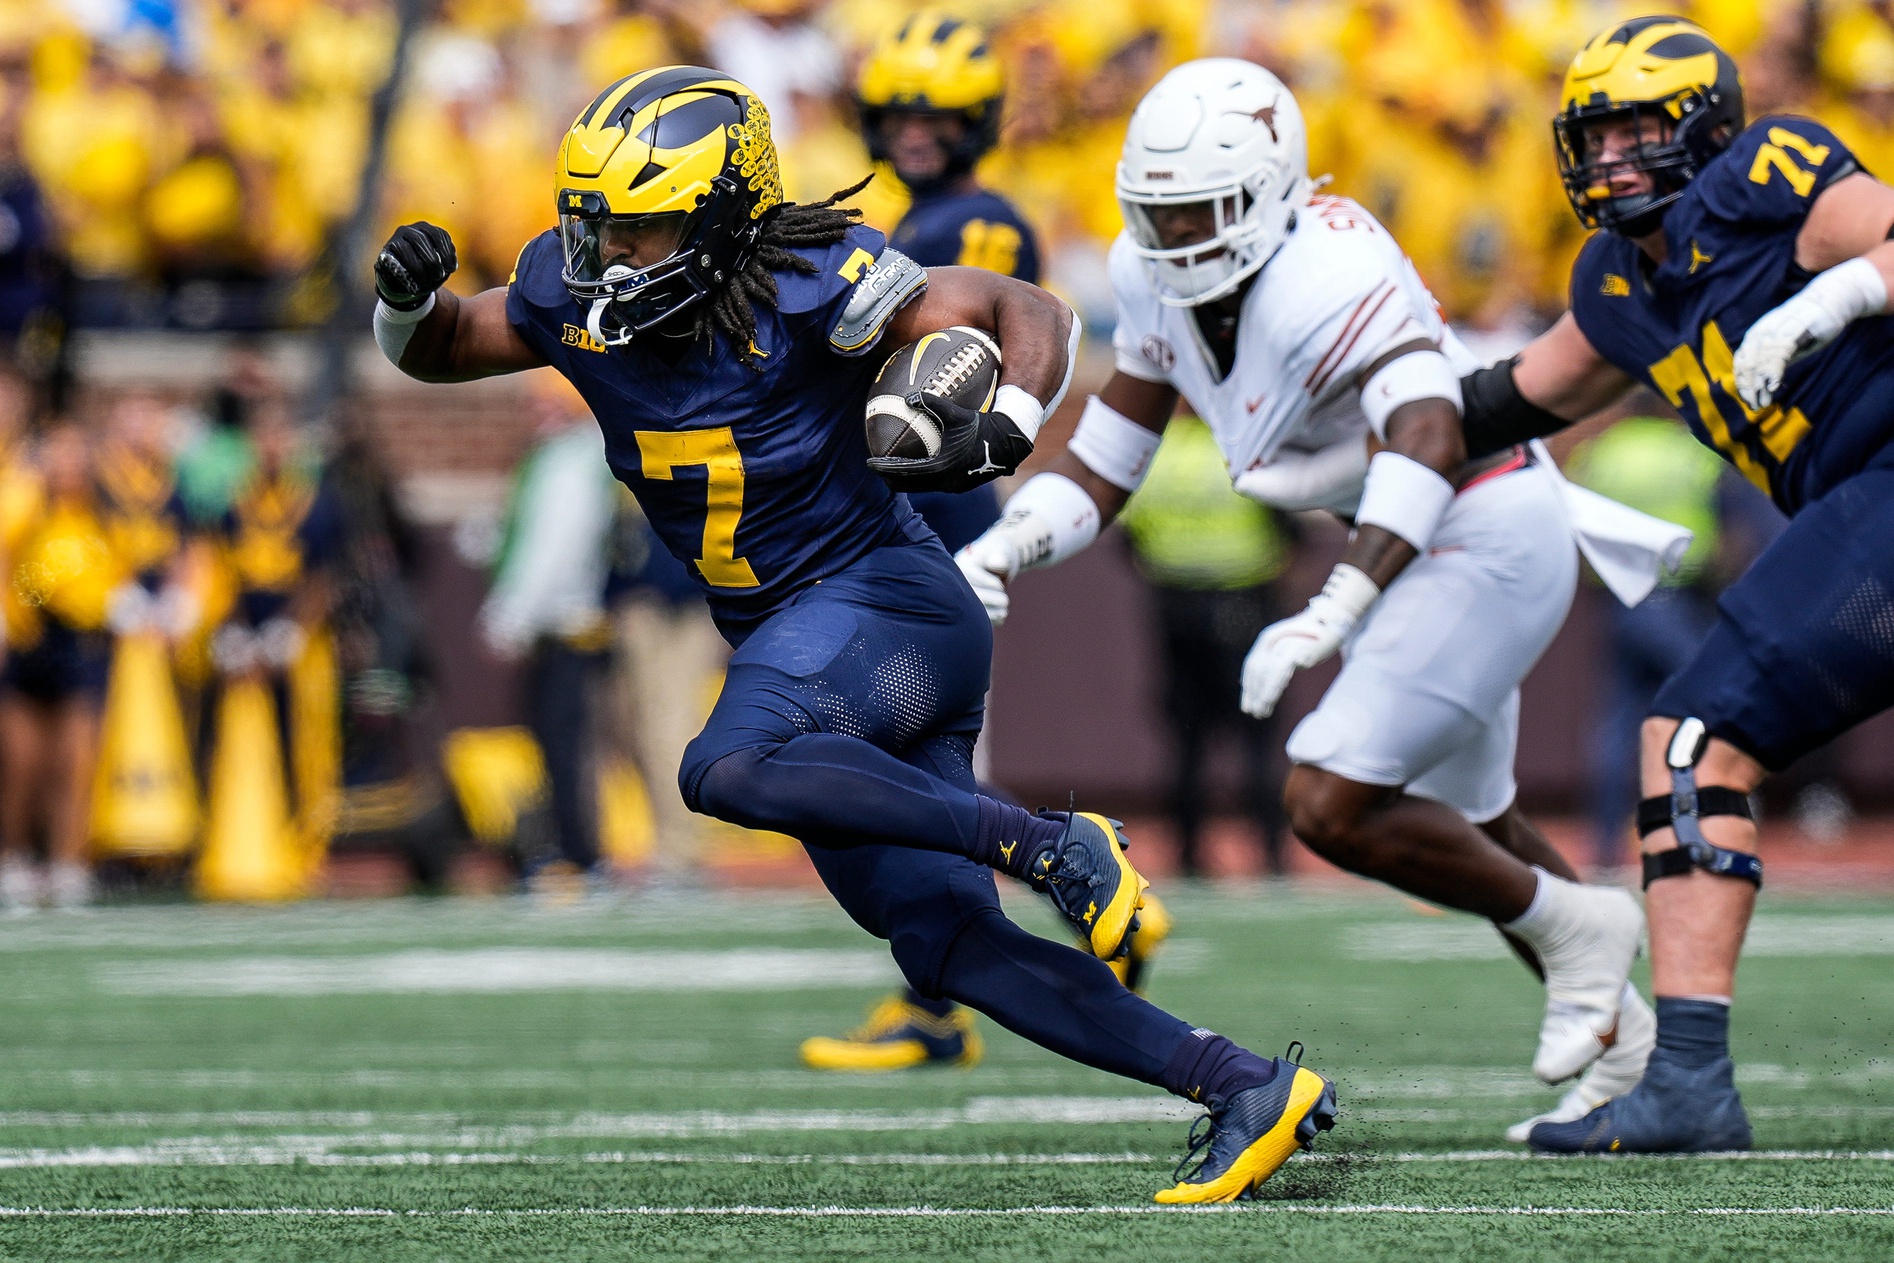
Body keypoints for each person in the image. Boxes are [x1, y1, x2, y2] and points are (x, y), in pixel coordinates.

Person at [372, 66, 1333, 1202]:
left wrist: (1009, 420)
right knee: (947, 943)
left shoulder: (809, 281)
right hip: (808, 647)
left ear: (722, 220)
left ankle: (1053, 844)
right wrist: (406, 301)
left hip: (887, 603)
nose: (609, 257)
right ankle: (1242, 1085)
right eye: (596, 226)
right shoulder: (570, 293)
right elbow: (447, 343)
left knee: (727, 764)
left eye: (640, 229)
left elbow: (1032, 313)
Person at [956, 58, 1659, 1144]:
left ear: (1270, 191)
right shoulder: (1155, 274)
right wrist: (1010, 540)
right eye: (1156, 211)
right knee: (1477, 828)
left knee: (1328, 796)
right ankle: (1632, 1060)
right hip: (1404, 534)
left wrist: (1337, 603)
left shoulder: (1332, 266)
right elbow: (1111, 454)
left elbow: (1427, 435)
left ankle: (1582, 927)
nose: (1174, 236)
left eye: (1198, 211)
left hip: (1480, 522)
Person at [1454, 15, 1894, 1153]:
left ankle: (1690, 1080)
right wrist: (1335, 429)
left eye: (1637, 130)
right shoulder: (1618, 284)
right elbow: (1497, 402)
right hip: (1864, 510)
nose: (1611, 158)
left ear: (1704, 127)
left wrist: (1828, 299)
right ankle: (1689, 1083)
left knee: (1697, 734)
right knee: (1694, 735)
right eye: (1595, 137)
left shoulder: (1766, 176)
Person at [802, 13, 1172, 1076]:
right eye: (898, 113)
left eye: (937, 115)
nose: (914, 132)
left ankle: (1062, 896)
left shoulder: (977, 225)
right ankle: (950, 984)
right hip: (912, 517)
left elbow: (943, 361)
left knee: (906, 766)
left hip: (936, 518)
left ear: (978, 122)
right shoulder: (918, 215)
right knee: (904, 765)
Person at [1118, 413, 1294, 877]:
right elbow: (1289, 528)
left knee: (1187, 741)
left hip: (1175, 607)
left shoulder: (1158, 448)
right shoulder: (1247, 442)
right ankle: (1273, 857)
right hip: (1246, 604)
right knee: (1258, 737)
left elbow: (1129, 535)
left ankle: (1189, 856)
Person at [1567, 411, 1727, 873]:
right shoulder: (1689, 450)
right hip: (1677, 597)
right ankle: (1704, 828)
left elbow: (1574, 519)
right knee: (1710, 706)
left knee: (1620, 724)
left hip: (1621, 600)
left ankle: (1605, 845)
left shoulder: (1603, 450)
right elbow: (1723, 527)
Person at [479, 370, 619, 883]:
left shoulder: (573, 459)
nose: (534, 410)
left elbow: (556, 549)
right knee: (553, 743)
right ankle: (567, 848)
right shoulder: (555, 456)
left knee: (567, 745)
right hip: (555, 622)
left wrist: (511, 616)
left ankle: (582, 854)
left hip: (565, 622)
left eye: (545, 400)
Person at [0, 424, 118, 909]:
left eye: (75, 453)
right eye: (57, 453)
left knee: (75, 763)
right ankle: (15, 860)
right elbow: (9, 559)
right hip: (29, 647)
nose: (66, 463)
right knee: (22, 764)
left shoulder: (101, 512)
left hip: (79, 648)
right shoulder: (25, 506)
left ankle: (69, 865)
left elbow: (119, 569)